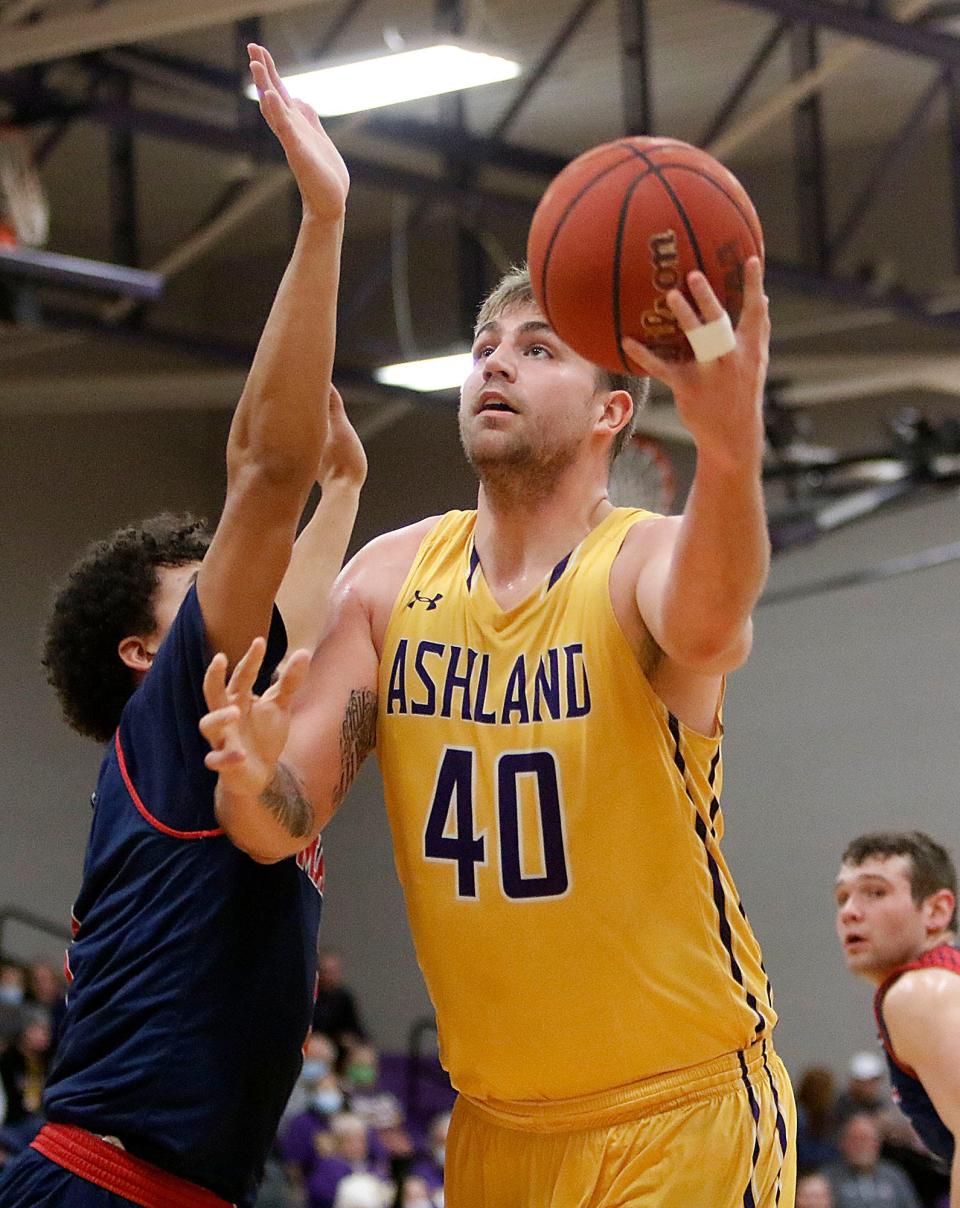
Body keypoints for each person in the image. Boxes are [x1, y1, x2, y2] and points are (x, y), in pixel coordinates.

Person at [202, 254, 795, 1206]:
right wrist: (246, 772)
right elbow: (281, 820)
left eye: (537, 348)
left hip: (676, 1112)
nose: (496, 365)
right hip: (495, 1126)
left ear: (613, 410)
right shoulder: (388, 581)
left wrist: (732, 449)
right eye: (484, 349)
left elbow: (715, 621)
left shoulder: (639, 560)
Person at [0, 44, 360, 1208]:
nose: (229, 586)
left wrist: (344, 492)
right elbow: (265, 465)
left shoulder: (209, 724)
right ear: (145, 652)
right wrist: (321, 218)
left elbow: (292, 609)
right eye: (197, 579)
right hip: (107, 1186)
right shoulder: (168, 718)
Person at [835, 831, 960, 1204]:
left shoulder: (919, 993)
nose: (849, 911)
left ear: (936, 911)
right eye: (842, 897)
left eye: (875, 892)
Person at [822, 1114, 921, 1208]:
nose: (861, 1146)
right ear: (842, 1143)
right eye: (855, 1139)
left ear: (878, 1144)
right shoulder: (828, 1178)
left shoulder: (894, 1175)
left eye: (866, 1139)